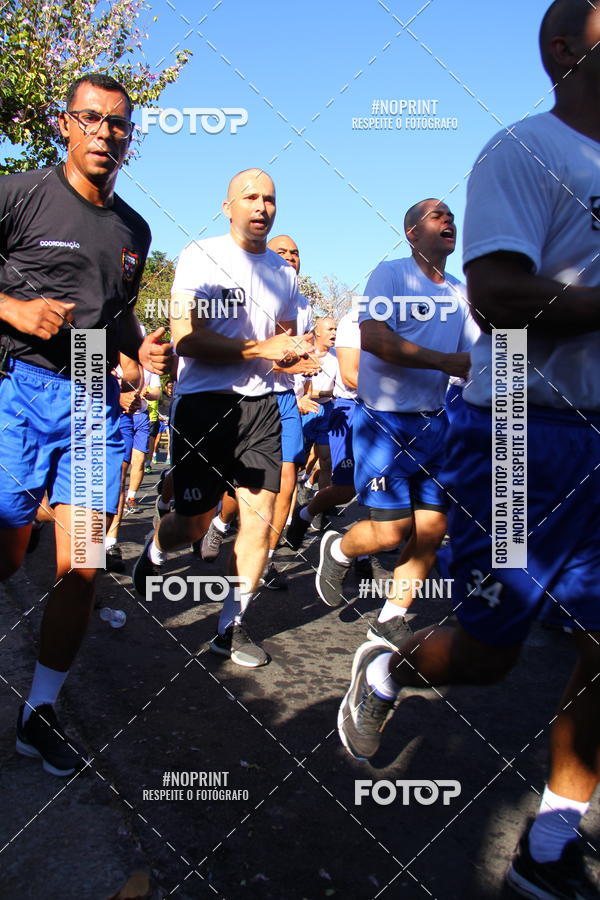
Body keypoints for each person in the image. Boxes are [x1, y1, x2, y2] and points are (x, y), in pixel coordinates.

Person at [338, 3, 600, 896]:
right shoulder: (527, 151)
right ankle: (386, 663)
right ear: (564, 49)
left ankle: (550, 845)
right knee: (491, 653)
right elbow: (501, 299)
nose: (443, 228)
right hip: (523, 430)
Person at [0, 73, 171, 776]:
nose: (105, 132)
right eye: (91, 118)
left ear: (131, 138)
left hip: (94, 393)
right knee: (9, 554)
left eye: (119, 123)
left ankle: (39, 712)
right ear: (65, 124)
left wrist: (141, 349)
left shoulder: (134, 230)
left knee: (84, 565)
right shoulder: (18, 194)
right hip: (18, 385)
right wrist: (11, 309)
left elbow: (117, 316)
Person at [133, 169, 311, 667]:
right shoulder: (200, 255)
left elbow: (283, 345)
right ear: (227, 207)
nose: (261, 206)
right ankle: (155, 549)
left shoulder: (284, 275)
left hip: (262, 408)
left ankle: (230, 628)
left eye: (269, 199)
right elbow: (185, 337)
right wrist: (260, 348)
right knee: (194, 524)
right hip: (205, 403)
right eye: (250, 197)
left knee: (260, 520)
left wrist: (299, 356)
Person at [315, 199, 473, 651]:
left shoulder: (461, 293)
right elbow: (375, 338)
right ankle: (338, 548)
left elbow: (475, 358)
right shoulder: (391, 274)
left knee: (432, 529)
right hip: (383, 422)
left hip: (433, 424)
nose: (448, 221)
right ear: (412, 232)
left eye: (451, 216)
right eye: (437, 216)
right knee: (390, 530)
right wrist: (443, 361)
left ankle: (390, 617)